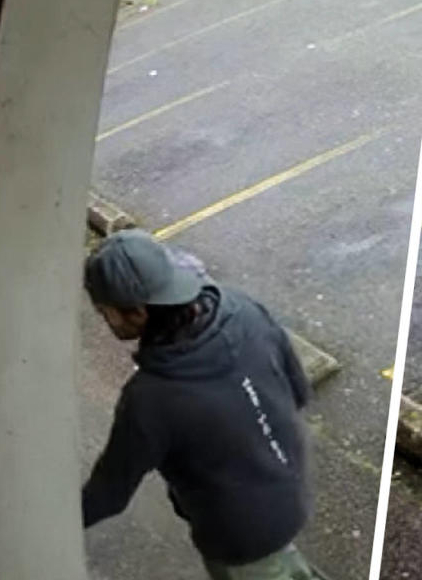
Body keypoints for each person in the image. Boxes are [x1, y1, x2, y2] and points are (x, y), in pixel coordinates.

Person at [81, 228, 316, 580]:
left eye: (105, 312)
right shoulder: (242, 308)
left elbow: (110, 492)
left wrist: (51, 523)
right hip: (290, 484)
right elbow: (298, 390)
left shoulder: (149, 398)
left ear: (139, 312)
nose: (105, 320)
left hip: (242, 539)